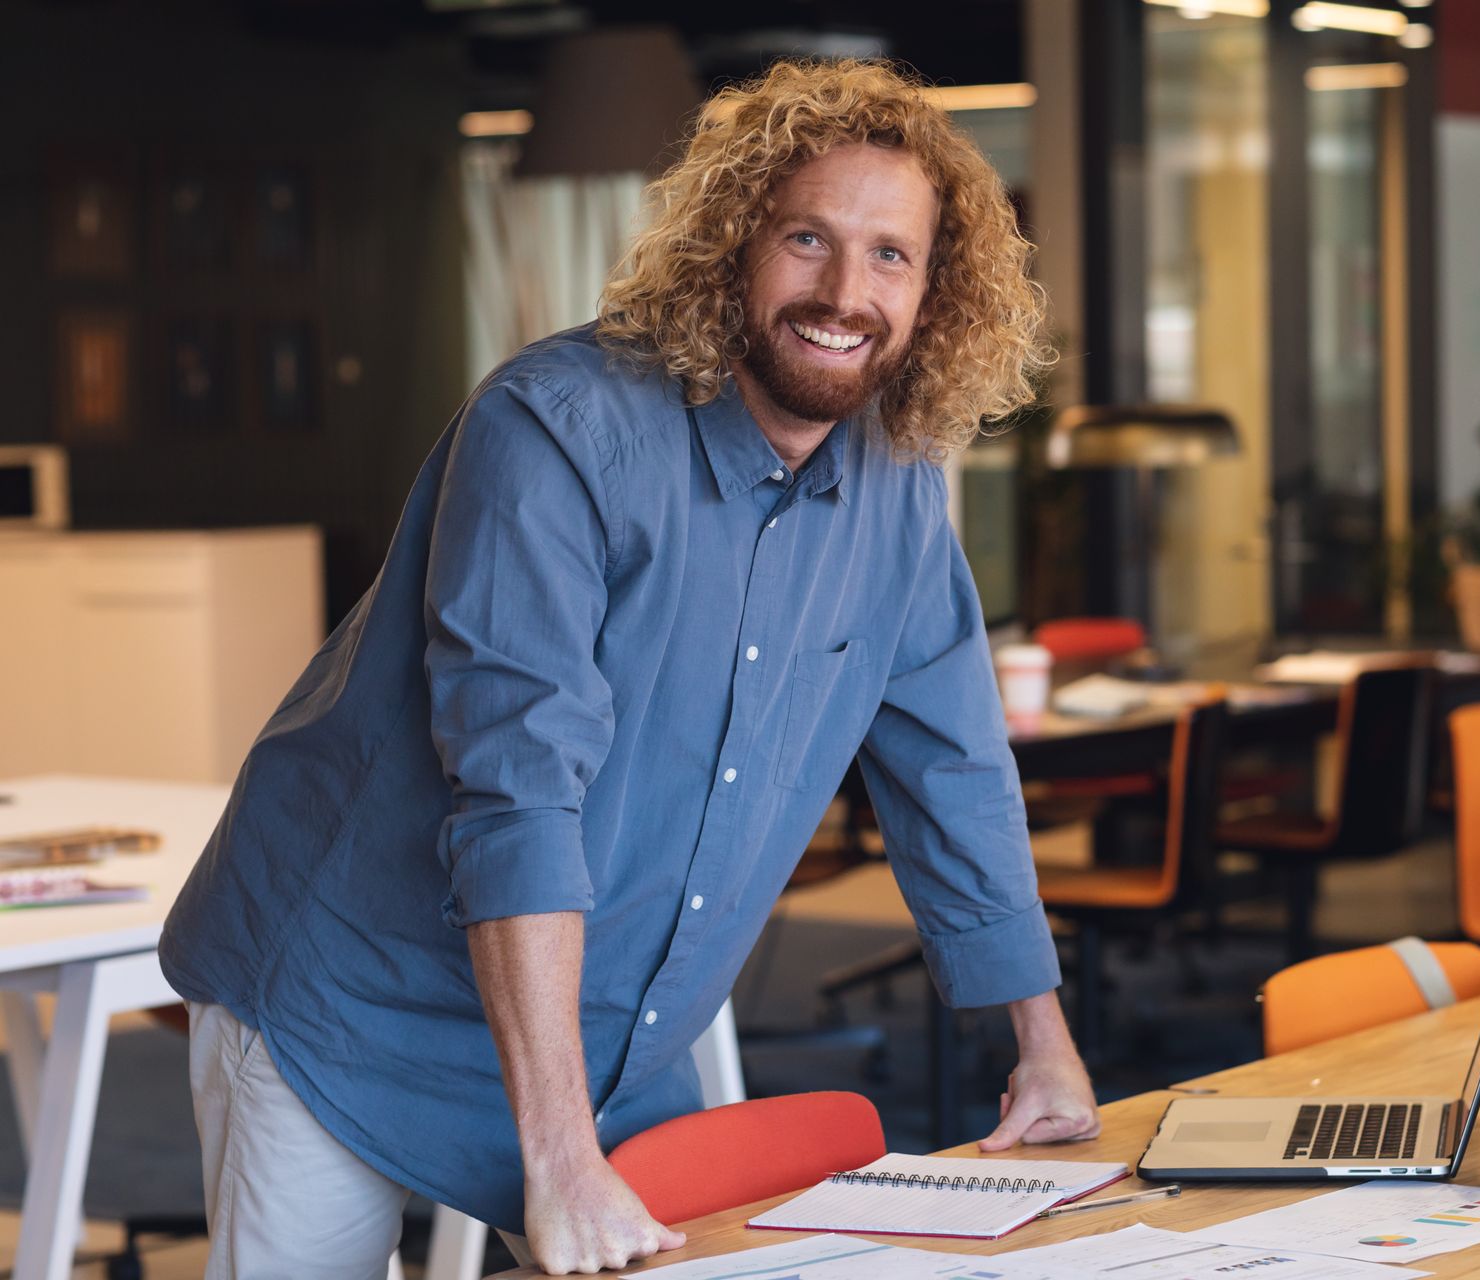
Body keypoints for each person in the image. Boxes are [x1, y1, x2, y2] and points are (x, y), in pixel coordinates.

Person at [159, 57, 1100, 1278]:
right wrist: (558, 1155)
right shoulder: (557, 430)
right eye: (805, 237)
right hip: (350, 1002)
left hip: (604, 1035)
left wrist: (1044, 1039)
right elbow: (519, 787)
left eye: (889, 256)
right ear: (731, 246)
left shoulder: (900, 491)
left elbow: (954, 767)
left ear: (936, 292)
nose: (842, 290)